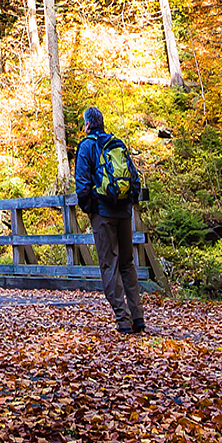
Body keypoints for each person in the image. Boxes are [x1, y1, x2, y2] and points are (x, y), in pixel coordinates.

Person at [74, 105, 146, 334]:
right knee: (127, 264)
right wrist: (128, 203)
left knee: (109, 265)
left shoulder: (87, 146)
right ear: (102, 123)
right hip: (124, 213)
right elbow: (134, 179)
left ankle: (123, 320)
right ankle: (138, 317)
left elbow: (82, 185)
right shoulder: (117, 144)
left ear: (87, 125)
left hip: (103, 214)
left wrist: (90, 209)